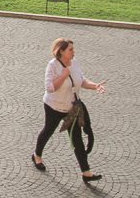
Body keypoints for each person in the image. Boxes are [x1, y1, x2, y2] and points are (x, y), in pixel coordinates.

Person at [32, 38, 106, 182]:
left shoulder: (75, 63)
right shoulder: (52, 66)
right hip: (54, 106)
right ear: (61, 51)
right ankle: (37, 155)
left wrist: (95, 85)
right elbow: (50, 87)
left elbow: (81, 81)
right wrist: (63, 75)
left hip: (72, 108)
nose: (73, 52)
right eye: (70, 49)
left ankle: (86, 172)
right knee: (48, 130)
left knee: (77, 139)